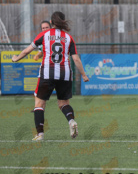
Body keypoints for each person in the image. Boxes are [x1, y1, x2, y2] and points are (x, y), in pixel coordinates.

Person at [12, 11, 89, 141]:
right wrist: (84, 75)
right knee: (63, 103)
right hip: (65, 74)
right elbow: (76, 59)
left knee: (39, 103)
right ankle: (71, 121)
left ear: (51, 22)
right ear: (63, 22)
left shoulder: (44, 35)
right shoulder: (69, 38)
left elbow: (26, 51)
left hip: (47, 73)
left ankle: (40, 134)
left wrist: (16, 58)